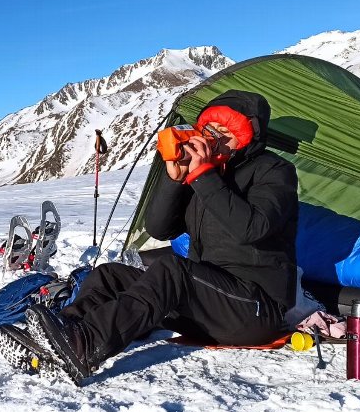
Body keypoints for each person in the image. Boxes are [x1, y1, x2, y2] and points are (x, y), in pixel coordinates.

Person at [24, 89, 299, 385]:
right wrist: (175, 179)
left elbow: (252, 228)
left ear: (248, 138)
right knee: (109, 275)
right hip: (210, 302)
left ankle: (85, 345)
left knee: (172, 270)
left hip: (255, 308)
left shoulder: (274, 171)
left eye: (227, 133)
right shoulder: (208, 174)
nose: (215, 140)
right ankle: (62, 334)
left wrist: (205, 177)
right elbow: (159, 229)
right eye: (211, 131)